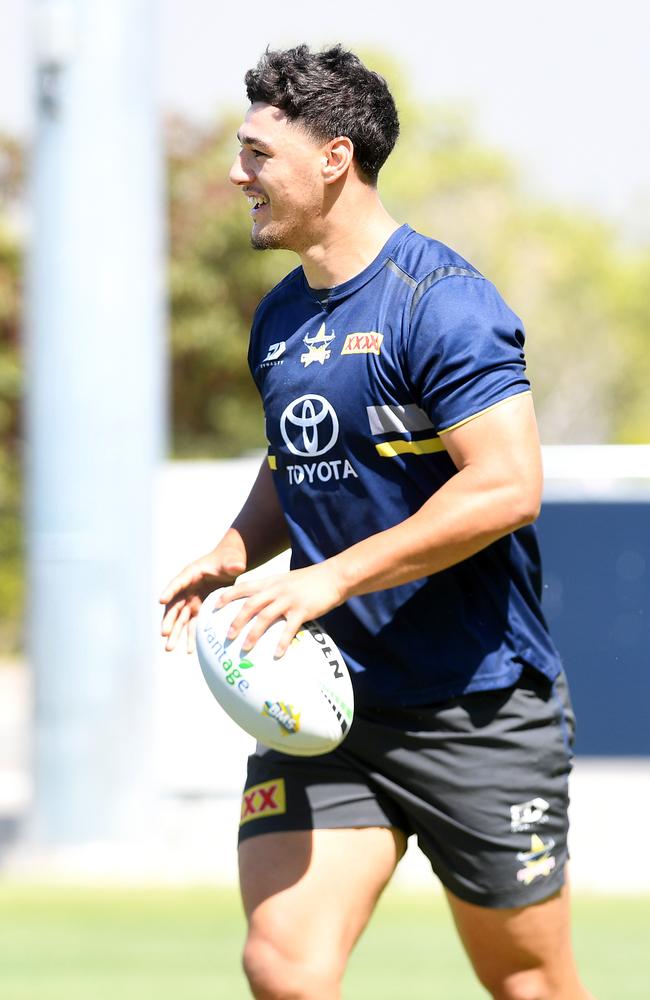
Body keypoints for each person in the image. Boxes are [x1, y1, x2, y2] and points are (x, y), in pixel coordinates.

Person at [160, 44, 591, 1000]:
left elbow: (507, 486)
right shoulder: (279, 318)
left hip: (475, 707)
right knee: (285, 966)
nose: (239, 174)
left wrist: (333, 575)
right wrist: (236, 549)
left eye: (257, 154)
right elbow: (301, 458)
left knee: (530, 984)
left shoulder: (444, 305)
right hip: (325, 708)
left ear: (334, 158)